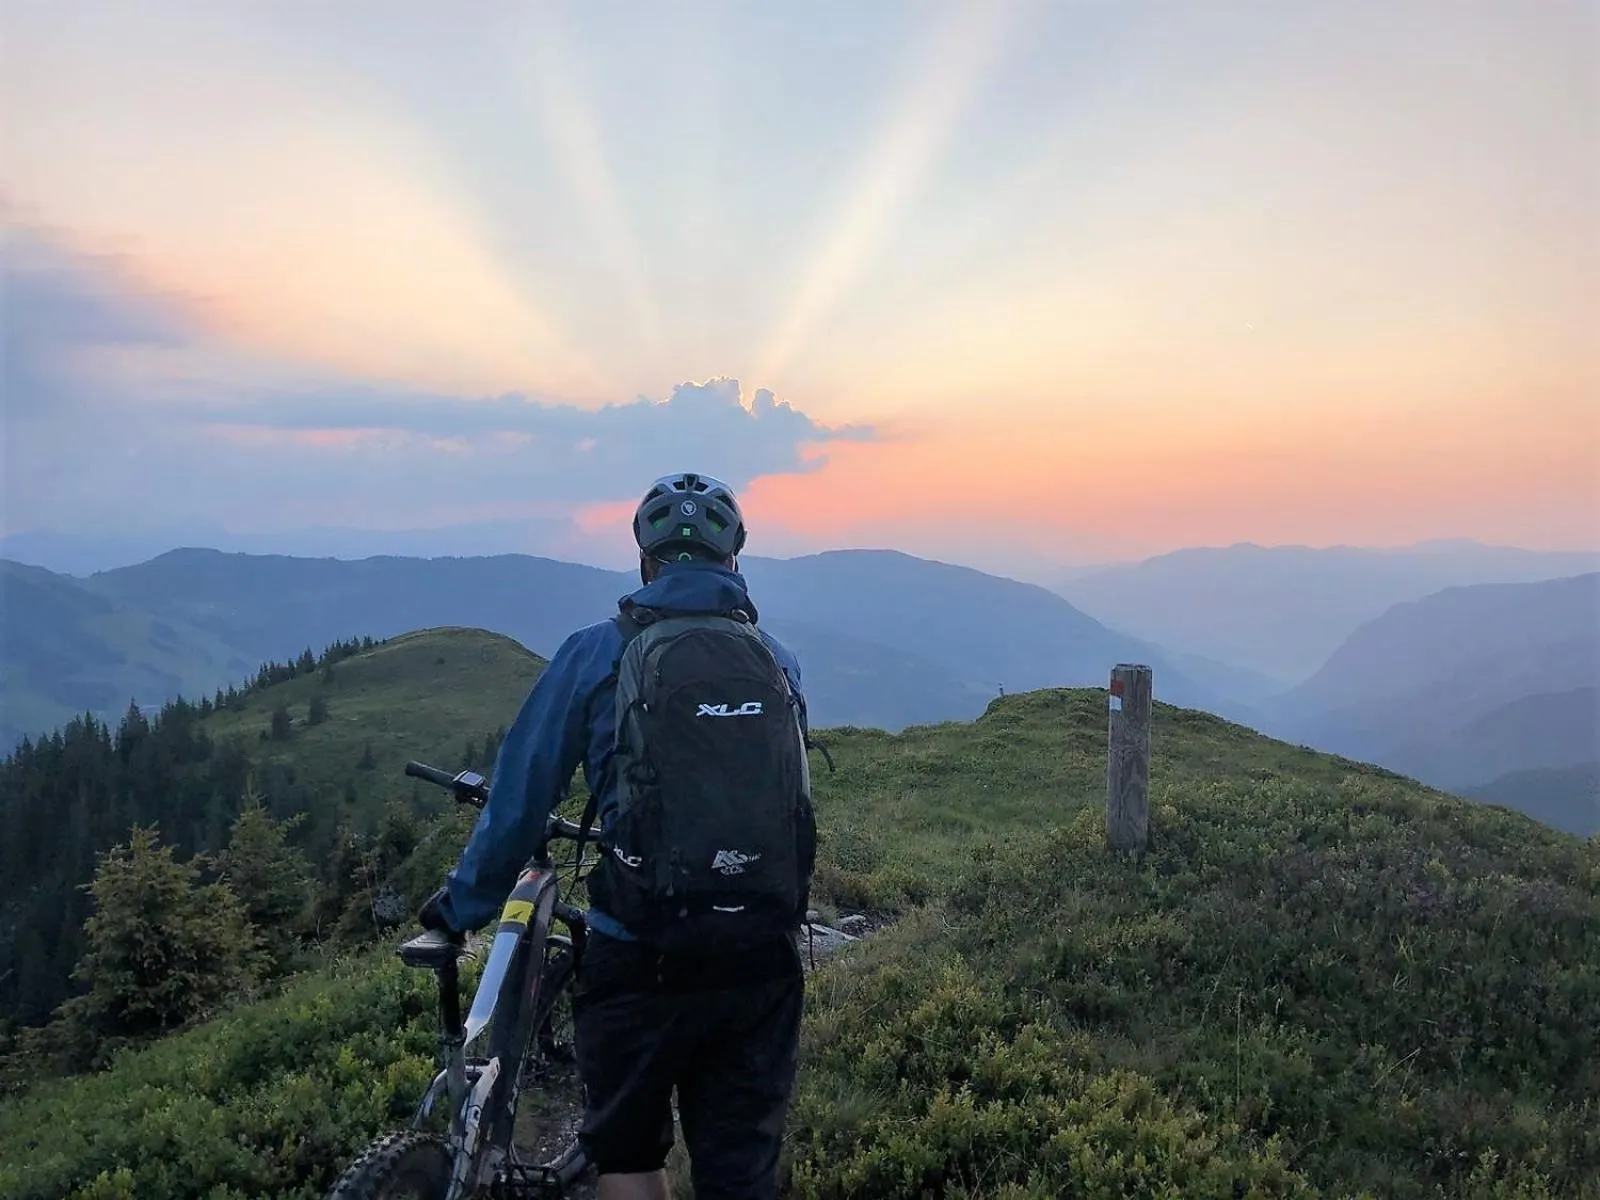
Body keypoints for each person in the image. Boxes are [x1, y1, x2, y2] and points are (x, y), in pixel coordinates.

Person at [417, 471, 813, 1200]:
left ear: (644, 561)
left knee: (628, 1155)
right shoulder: (777, 661)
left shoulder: (595, 653)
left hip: (639, 950)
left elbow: (521, 799)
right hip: (759, 956)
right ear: (734, 559)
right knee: (741, 1169)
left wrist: (461, 906)